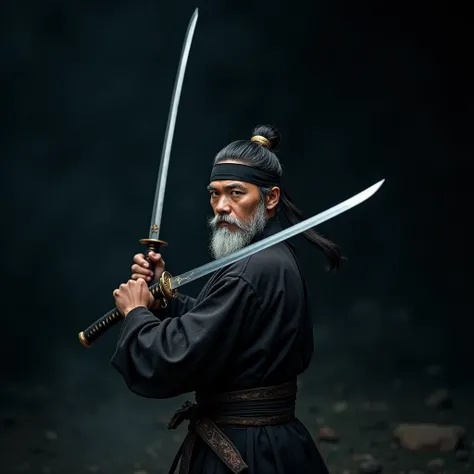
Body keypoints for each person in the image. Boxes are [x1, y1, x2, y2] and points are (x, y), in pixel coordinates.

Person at [110, 124, 343, 474]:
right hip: (271, 442)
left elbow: (178, 355)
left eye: (236, 193)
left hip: (249, 448)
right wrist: (165, 296)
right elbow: (229, 327)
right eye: (215, 194)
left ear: (271, 198)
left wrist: (137, 312)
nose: (221, 206)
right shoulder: (267, 258)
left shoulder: (251, 268)